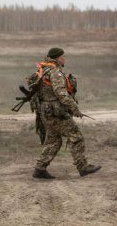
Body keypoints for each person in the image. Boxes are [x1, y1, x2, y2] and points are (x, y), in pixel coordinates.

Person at [31, 47, 101, 179]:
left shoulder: (44, 70)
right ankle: (83, 166)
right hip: (56, 112)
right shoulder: (55, 72)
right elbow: (61, 94)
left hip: (46, 112)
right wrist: (74, 108)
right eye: (63, 57)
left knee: (54, 141)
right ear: (57, 58)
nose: (64, 59)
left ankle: (40, 169)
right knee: (76, 136)